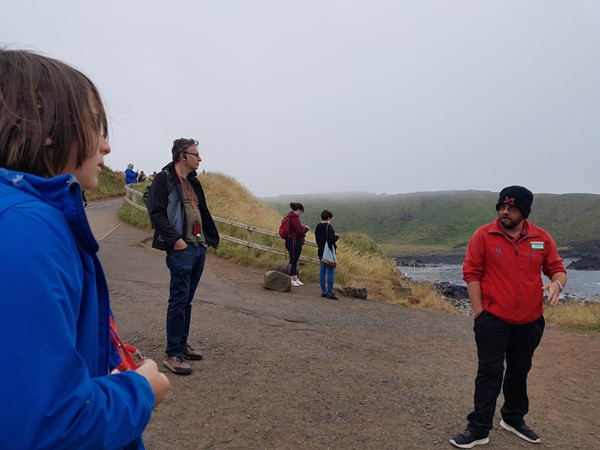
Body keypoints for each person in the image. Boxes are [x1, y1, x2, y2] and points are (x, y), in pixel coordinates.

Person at [0, 49, 169, 449]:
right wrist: (143, 389)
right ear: (44, 125)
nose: (106, 147)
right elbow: (47, 429)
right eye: (96, 124)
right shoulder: (27, 225)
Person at [450, 186, 567, 449]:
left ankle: (513, 418)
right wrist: (479, 312)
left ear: (524, 212)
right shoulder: (484, 234)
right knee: (490, 371)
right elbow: (471, 273)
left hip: (530, 320)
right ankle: (479, 428)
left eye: (512, 208)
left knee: (519, 370)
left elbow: (557, 269)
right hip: (493, 318)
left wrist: (556, 286)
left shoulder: (541, 237)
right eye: (502, 206)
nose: (505, 211)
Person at [148, 138, 220, 375]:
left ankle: (182, 343)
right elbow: (156, 214)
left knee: (186, 299)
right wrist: (176, 241)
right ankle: (173, 354)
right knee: (178, 299)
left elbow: (203, 212)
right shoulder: (164, 179)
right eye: (195, 154)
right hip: (181, 248)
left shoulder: (193, 183)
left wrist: (207, 241)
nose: (199, 158)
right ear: (182, 156)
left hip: (198, 247)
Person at [283, 202, 310, 286]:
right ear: (298, 210)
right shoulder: (294, 219)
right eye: (301, 211)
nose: (301, 213)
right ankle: (291, 279)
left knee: (294, 259)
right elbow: (299, 231)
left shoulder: (289, 217)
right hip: (294, 242)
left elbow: (295, 229)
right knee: (293, 260)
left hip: (290, 241)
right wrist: (306, 228)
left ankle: (294, 278)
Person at [315, 210, 339, 299]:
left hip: (321, 251)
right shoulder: (329, 227)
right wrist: (337, 236)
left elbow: (317, 239)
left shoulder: (318, 226)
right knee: (330, 272)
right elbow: (332, 239)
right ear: (328, 218)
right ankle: (330, 292)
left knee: (322, 272)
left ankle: (323, 291)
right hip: (328, 252)